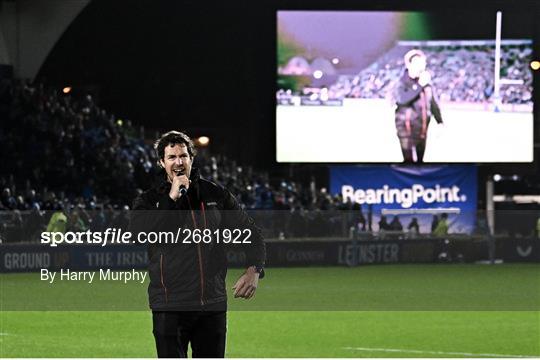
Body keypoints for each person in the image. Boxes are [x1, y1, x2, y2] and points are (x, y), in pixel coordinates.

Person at [130, 131, 266, 358]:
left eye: (183, 155)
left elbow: (252, 234)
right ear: (162, 163)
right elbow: (138, 235)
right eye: (171, 157)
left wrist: (254, 270)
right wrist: (171, 199)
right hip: (170, 307)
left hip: (211, 305)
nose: (178, 162)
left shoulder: (216, 195)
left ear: (192, 158)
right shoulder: (148, 200)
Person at [393, 49, 443, 163]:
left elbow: (433, 103)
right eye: (418, 63)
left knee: (421, 161)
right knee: (409, 161)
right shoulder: (402, 82)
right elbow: (402, 99)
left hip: (423, 128)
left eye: (423, 63)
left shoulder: (426, 84)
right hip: (406, 129)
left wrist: (440, 121)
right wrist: (419, 85)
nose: (421, 67)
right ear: (409, 65)